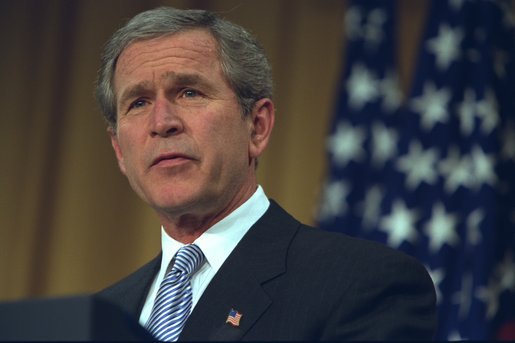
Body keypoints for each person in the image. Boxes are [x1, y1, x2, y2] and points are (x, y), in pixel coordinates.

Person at [95, 6, 437, 341]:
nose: (162, 123)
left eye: (189, 92)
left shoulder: (363, 283)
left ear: (257, 127)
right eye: (138, 102)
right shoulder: (100, 315)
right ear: (120, 151)